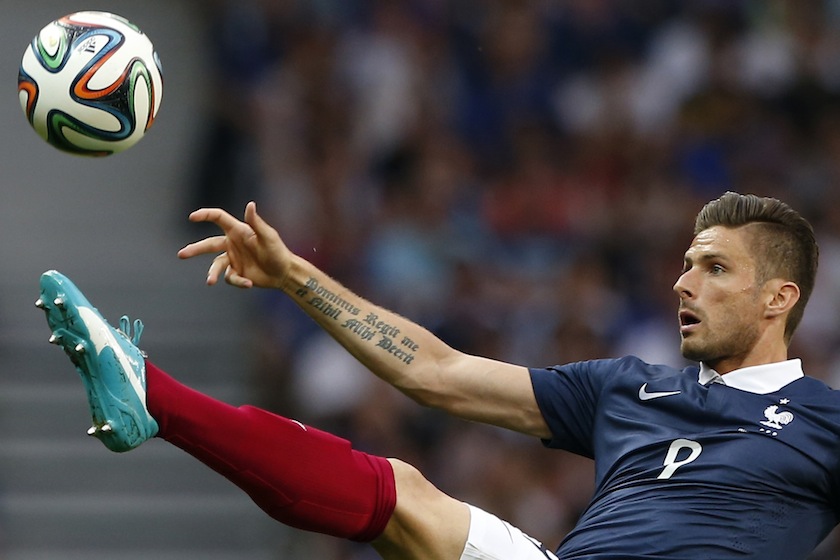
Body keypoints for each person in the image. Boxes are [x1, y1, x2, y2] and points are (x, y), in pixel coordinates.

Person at [36, 191, 837, 559]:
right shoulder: (627, 386)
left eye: (715, 268)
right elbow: (439, 372)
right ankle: (150, 396)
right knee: (406, 495)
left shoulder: (826, 423)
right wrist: (293, 277)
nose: (683, 283)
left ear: (780, 297)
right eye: (686, 263)